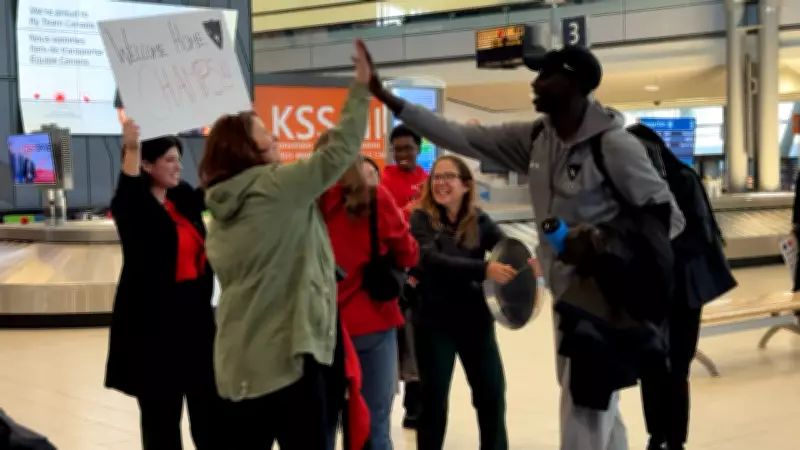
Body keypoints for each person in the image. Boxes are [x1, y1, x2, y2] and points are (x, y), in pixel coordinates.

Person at [364, 45, 685, 450]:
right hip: (568, 295)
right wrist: (388, 98)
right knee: (597, 399)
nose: (535, 82)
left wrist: (597, 240)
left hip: (603, 299)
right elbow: (462, 136)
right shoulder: (537, 138)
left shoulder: (614, 146)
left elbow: (670, 218)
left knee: (583, 403)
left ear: (574, 85)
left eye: (546, 75)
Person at [197, 40, 373, 450]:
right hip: (289, 361)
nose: (279, 148)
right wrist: (361, 86)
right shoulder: (273, 186)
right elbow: (340, 150)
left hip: (237, 363)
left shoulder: (221, 205)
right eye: (270, 142)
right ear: (249, 152)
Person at [105, 121, 223, 449]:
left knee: (210, 413)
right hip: (155, 330)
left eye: (179, 158)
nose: (178, 165)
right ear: (147, 164)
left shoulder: (182, 196)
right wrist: (131, 146)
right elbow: (128, 187)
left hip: (197, 322)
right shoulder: (132, 207)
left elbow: (212, 193)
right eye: (170, 159)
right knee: (161, 420)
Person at [628, 124, 736, 450]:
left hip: (683, 291)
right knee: (650, 364)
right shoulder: (634, 185)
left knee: (676, 366)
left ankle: (674, 439)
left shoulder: (683, 180)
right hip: (650, 290)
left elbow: (699, 235)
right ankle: (655, 435)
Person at [409, 155, 514, 450]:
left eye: (448, 177)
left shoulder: (479, 220)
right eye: (437, 177)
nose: (441, 183)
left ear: (466, 184)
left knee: (491, 395)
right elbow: (430, 260)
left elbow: (505, 248)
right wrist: (483, 270)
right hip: (434, 324)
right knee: (433, 401)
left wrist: (526, 263)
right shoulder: (421, 218)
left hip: (475, 322)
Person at [318, 148, 419, 450]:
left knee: (322, 425)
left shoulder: (308, 204)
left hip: (322, 327)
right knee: (374, 423)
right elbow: (408, 252)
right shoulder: (376, 199)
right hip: (372, 320)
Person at [381, 124, 429, 428]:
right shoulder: (383, 180)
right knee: (392, 336)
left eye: (408, 148)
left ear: (418, 149)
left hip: (421, 268)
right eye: (397, 149)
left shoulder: (427, 182)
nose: (402, 154)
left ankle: (415, 405)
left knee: (415, 337)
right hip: (390, 269)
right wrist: (405, 211)